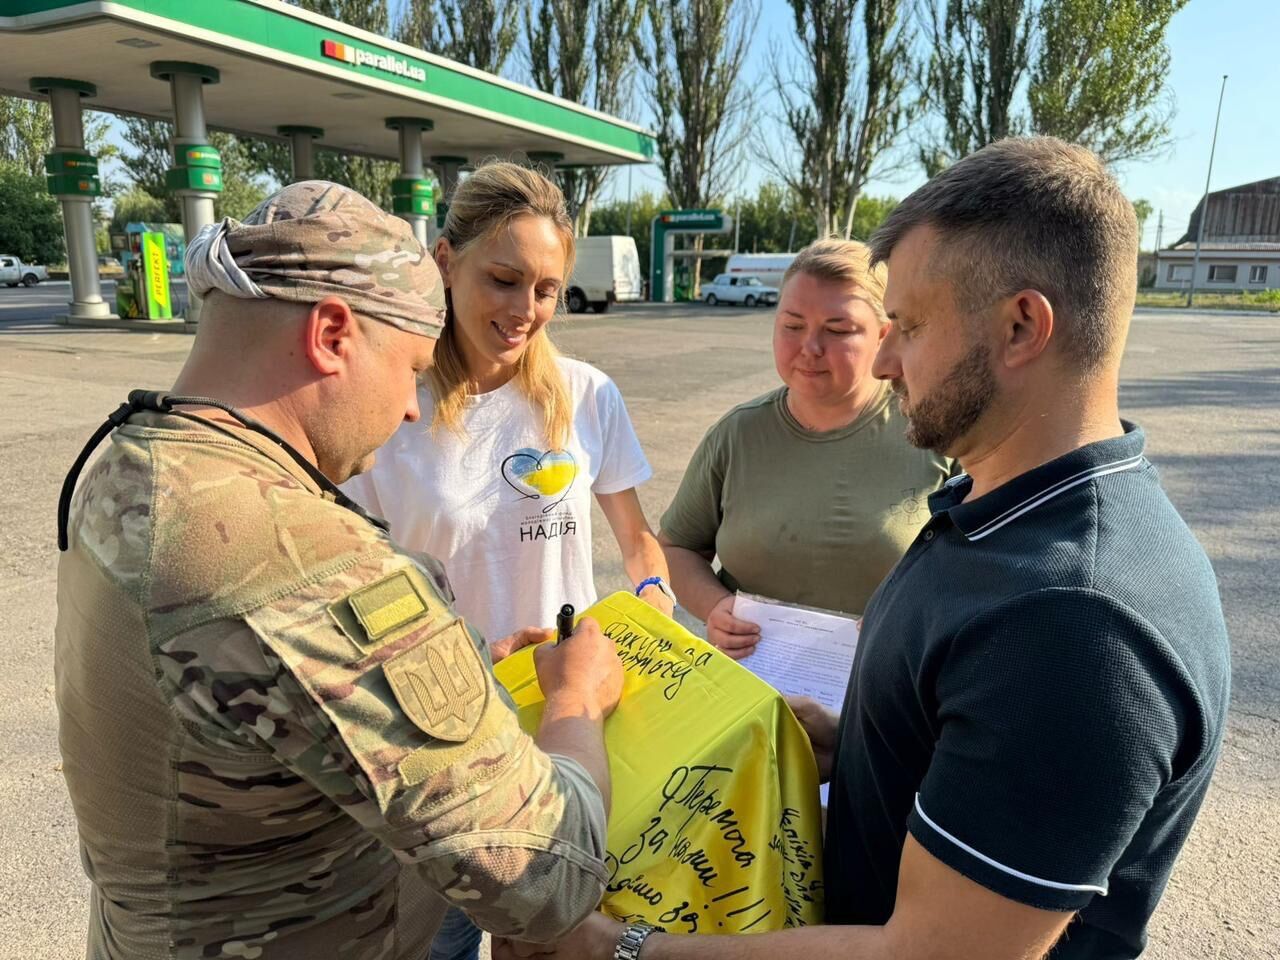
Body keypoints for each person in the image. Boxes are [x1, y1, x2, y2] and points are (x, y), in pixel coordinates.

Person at [494, 138, 1231, 960]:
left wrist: (621, 951)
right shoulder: (1000, 511)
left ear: (1022, 326)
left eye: (907, 326)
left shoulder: (1073, 623)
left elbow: (929, 953)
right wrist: (854, 740)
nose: (882, 358)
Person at [53, 181, 625, 960]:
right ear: (330, 335)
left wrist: (447, 675)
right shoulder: (303, 563)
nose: (413, 408)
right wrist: (576, 700)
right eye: (410, 367)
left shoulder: (136, 460)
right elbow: (548, 872)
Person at [343, 161, 673, 960]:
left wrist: (653, 596)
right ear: (445, 262)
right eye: (504, 278)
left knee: (558, 941)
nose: (526, 310)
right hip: (441, 742)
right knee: (439, 943)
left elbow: (638, 543)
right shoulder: (392, 406)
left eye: (548, 288)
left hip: (568, 726)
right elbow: (352, 590)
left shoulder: (587, 395)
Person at [659, 238, 950, 658]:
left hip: (884, 699)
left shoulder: (935, 433)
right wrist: (716, 606)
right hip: (749, 695)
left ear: (884, 335)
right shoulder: (738, 434)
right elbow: (676, 548)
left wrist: (913, 618)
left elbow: (985, 573)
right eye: (792, 326)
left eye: (837, 330)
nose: (810, 348)